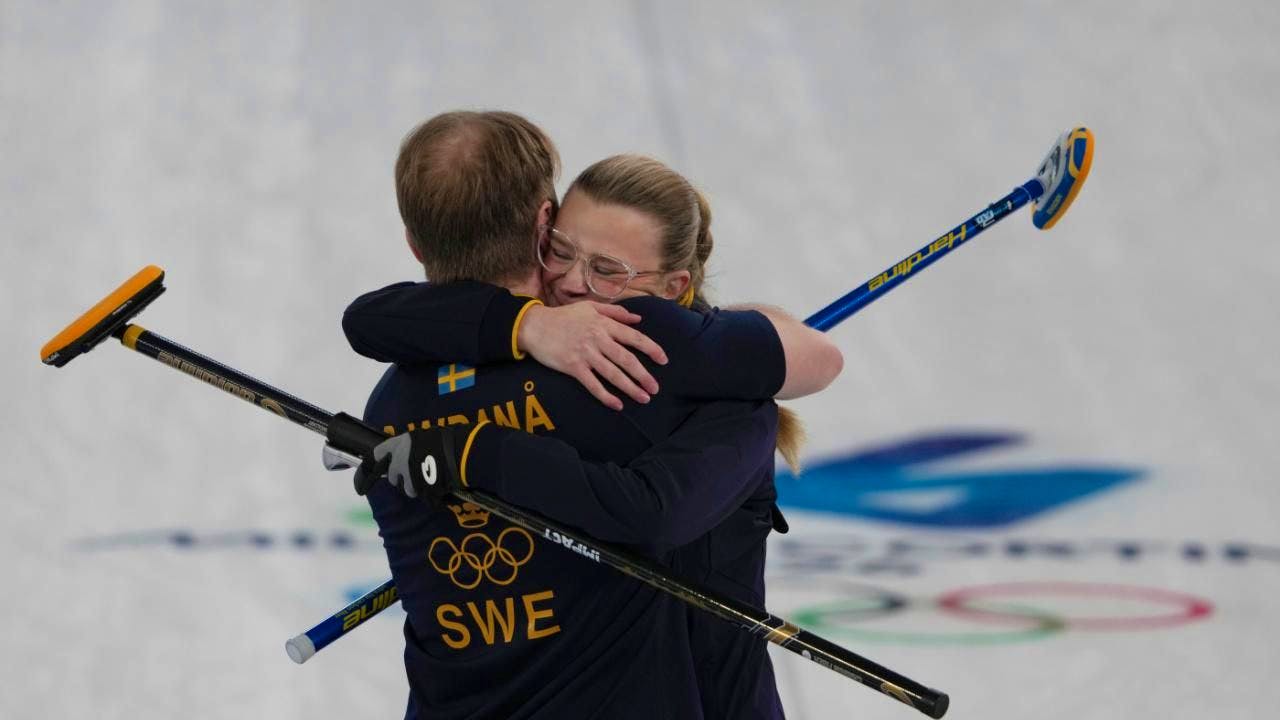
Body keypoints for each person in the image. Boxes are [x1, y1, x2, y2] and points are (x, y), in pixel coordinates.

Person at [348, 111, 841, 719]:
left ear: (413, 243)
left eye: (607, 271)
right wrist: (719, 344)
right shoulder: (635, 344)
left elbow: (365, 319)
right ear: (543, 220)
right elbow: (812, 359)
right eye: (565, 253)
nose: (579, 285)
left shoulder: (392, 398)